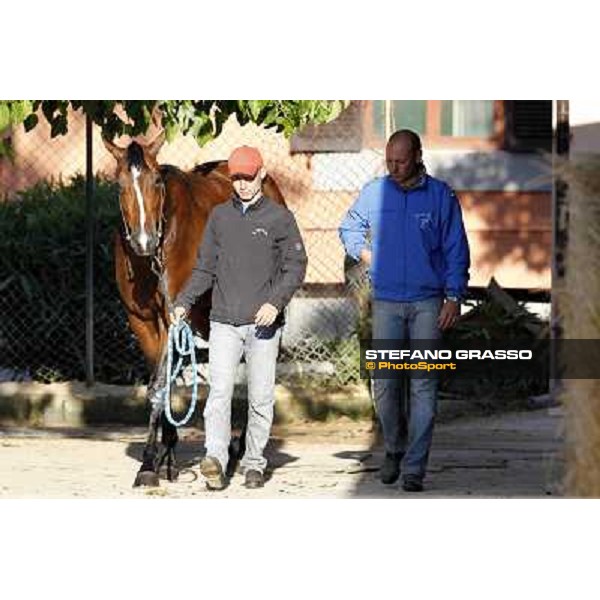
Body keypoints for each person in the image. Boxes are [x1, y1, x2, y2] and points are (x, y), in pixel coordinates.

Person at [339, 129, 470, 492]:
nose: (394, 168)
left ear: (417, 156)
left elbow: (457, 249)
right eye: (389, 161)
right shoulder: (375, 192)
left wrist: (454, 296)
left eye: (400, 161)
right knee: (385, 384)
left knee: (423, 385)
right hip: (387, 302)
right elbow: (348, 227)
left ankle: (414, 468)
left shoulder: (441, 196)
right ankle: (394, 447)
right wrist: (364, 254)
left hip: (429, 302)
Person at [171, 146, 307, 490]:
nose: (243, 184)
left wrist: (275, 303)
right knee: (219, 394)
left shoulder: (280, 218)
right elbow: (204, 267)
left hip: (263, 325)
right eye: (237, 178)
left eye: (249, 176)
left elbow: (296, 266)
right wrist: (184, 301)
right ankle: (214, 459)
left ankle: (253, 462)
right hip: (223, 322)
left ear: (260, 174)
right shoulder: (219, 217)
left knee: (260, 397)